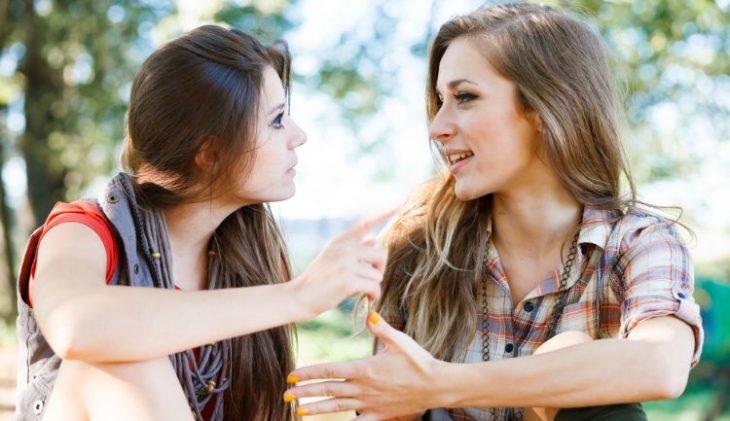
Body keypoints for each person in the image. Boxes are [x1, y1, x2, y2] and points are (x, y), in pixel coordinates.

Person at [284, 3, 704, 420]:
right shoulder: (419, 249)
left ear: (545, 108)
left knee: (568, 351)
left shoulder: (639, 243)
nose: (437, 127)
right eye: (440, 100)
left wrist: (439, 384)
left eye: (465, 97)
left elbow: (660, 365)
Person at [16, 25, 390, 421]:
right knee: (119, 357)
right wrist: (297, 298)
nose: (299, 136)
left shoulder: (251, 260)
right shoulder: (84, 231)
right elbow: (78, 326)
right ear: (209, 153)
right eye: (277, 120)